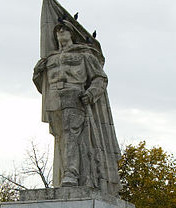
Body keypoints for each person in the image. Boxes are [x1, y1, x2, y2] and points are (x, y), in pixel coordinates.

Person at [33, 20, 120, 195]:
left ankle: (71, 174)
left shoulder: (84, 55)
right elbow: (43, 85)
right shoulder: (50, 58)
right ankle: (67, 174)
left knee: (71, 134)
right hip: (54, 100)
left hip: (74, 95)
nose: (60, 33)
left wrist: (91, 93)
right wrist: (37, 73)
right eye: (58, 30)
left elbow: (100, 78)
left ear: (72, 34)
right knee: (62, 139)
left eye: (64, 30)